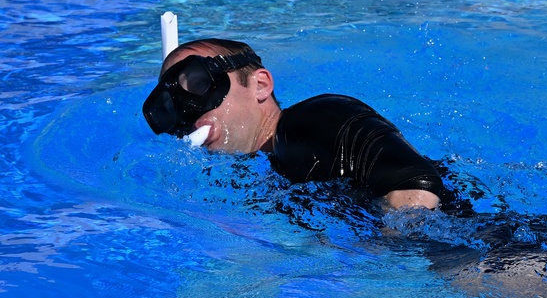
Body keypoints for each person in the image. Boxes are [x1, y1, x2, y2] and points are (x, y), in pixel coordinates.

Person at [143, 38, 442, 210]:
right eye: (172, 109)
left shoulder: (309, 120)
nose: (191, 114)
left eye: (199, 84)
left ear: (260, 84)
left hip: (466, 256)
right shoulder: (275, 162)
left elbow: (415, 182)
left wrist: (385, 262)